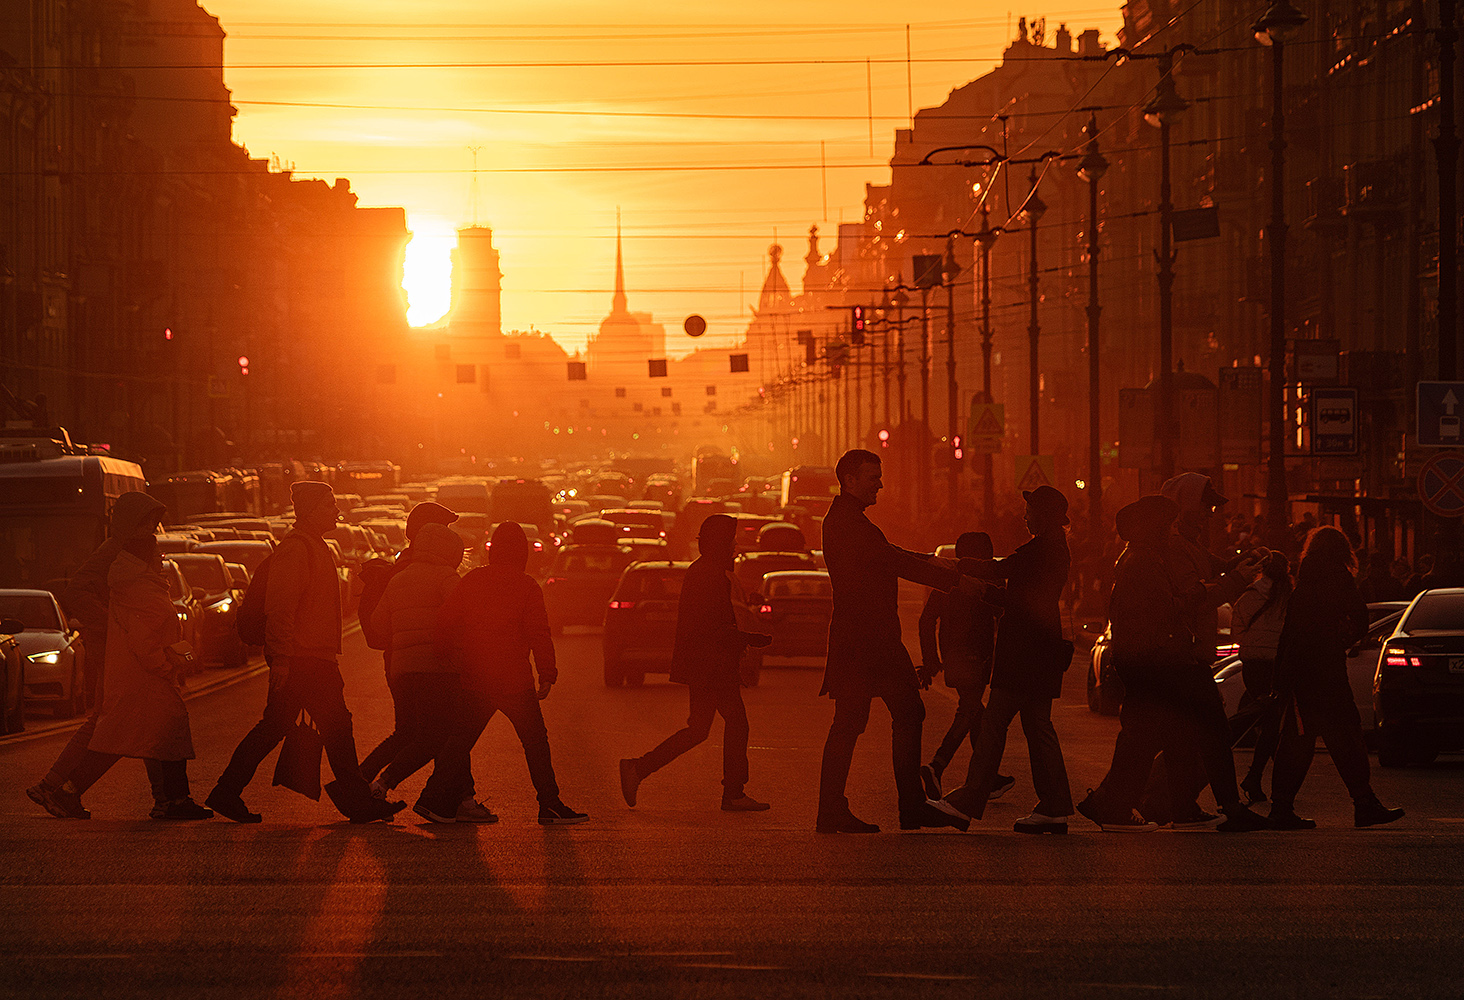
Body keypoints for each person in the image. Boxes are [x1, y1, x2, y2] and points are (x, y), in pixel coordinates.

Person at [207, 481, 402, 824]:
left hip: (311, 657)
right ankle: (355, 801)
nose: (337, 512)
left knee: (286, 727)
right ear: (310, 512)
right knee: (332, 727)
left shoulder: (314, 546)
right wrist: (281, 659)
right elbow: (280, 608)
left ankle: (227, 792)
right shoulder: (296, 550)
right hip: (303, 659)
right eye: (330, 506)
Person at [816, 449, 972, 834]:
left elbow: (888, 556)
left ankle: (836, 808)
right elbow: (892, 561)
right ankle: (909, 806)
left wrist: (931, 562)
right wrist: (951, 580)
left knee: (852, 723)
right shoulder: (849, 523)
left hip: (859, 640)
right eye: (873, 477)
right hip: (872, 642)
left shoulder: (846, 520)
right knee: (904, 714)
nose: (880, 485)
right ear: (850, 480)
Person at [44, 533, 213, 819]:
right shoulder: (141, 589)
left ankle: (171, 800)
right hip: (146, 678)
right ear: (144, 556)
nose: (161, 556)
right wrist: (165, 665)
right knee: (156, 734)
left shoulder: (136, 584)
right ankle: (171, 800)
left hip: (138, 676)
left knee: (146, 738)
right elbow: (143, 639)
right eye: (156, 551)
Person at [430, 521, 586, 825]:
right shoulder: (527, 586)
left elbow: (445, 621)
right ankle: (549, 803)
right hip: (514, 679)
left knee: (460, 740)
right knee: (535, 742)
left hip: (477, 676)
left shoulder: (473, 580)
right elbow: (539, 632)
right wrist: (547, 672)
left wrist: (449, 659)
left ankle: (432, 797)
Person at [942, 486, 1075, 834]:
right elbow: (1021, 596)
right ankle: (1054, 806)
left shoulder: (1039, 552)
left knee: (993, 726)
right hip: (1041, 654)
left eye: (1029, 510)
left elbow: (1001, 571)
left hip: (1024, 656)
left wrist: (958, 568)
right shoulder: (1054, 551)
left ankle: (969, 800)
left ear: (1042, 516)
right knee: (1038, 728)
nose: (1025, 515)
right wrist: (984, 590)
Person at [28, 491, 167, 819]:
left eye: (154, 522)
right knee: (112, 720)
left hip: (127, 647)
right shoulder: (114, 550)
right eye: (146, 520)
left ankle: (167, 798)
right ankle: (56, 785)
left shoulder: (138, 548)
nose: (152, 527)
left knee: (134, 719)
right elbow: (77, 590)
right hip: (113, 650)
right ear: (131, 520)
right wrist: (111, 622)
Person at [620, 514, 774, 811]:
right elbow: (711, 626)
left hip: (706, 665)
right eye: (731, 540)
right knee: (736, 723)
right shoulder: (709, 576)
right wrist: (747, 639)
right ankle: (733, 792)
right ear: (721, 543)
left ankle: (639, 768)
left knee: (699, 729)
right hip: (713, 665)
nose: (735, 546)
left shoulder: (705, 572)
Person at [357, 501, 493, 821]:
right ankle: (381, 784)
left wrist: (405, 637)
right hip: (437, 666)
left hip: (401, 667)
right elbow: (466, 618)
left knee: (428, 734)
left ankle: (459, 798)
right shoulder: (445, 576)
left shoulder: (399, 574)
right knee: (442, 736)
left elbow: (379, 625)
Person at [1268, 527, 1404, 829]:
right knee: (1346, 737)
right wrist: (1341, 639)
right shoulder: (1340, 577)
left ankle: (1281, 806)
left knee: (1296, 742)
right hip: (1327, 671)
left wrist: (1281, 677)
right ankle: (1364, 802)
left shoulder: (1301, 583)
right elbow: (1359, 618)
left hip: (1299, 674)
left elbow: (1288, 633)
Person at [916, 531, 1013, 803]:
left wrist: (932, 659)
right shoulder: (988, 581)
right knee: (970, 710)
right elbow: (1004, 615)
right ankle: (937, 765)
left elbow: (926, 620)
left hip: (952, 656)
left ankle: (987, 777)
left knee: (974, 711)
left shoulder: (945, 582)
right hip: (977, 657)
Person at [1232, 549, 1291, 805]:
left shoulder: (1248, 595)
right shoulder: (1289, 597)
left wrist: (1252, 644)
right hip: (1277, 665)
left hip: (1253, 665)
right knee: (1272, 721)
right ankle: (1259, 777)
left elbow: (1237, 631)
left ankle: (1260, 778)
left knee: (1265, 718)